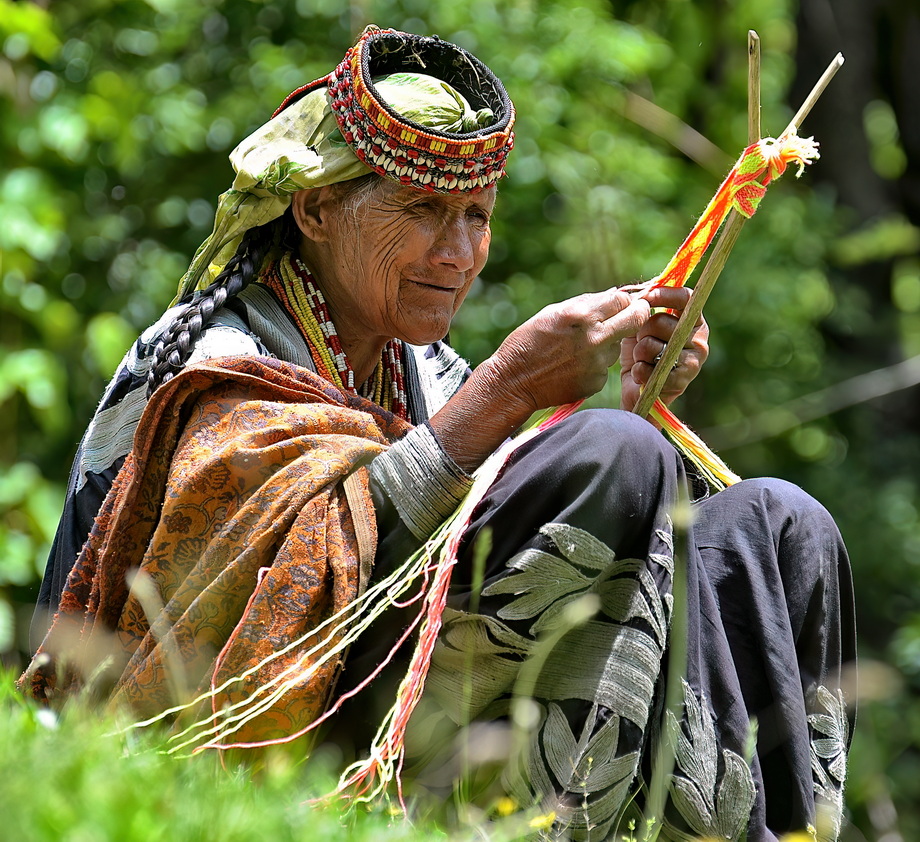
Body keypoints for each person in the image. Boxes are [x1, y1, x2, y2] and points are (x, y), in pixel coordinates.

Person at [21, 26, 855, 842]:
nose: (458, 252)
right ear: (315, 208)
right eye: (423, 208)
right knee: (616, 453)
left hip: (403, 679)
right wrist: (515, 387)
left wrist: (636, 402)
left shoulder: (419, 369)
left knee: (779, 524)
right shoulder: (219, 361)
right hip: (270, 722)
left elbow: (511, 537)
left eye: (477, 217)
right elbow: (287, 595)